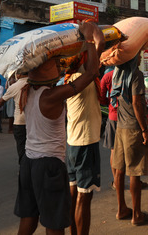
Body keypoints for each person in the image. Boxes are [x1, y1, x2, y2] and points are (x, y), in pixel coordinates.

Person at [14, 21, 104, 235]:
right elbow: (91, 73)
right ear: (44, 70)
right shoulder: (51, 96)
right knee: (54, 224)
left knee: (29, 218)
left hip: (28, 163)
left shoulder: (29, 90)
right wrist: (89, 39)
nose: (58, 65)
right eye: (53, 63)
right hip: (49, 166)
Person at [110, 55, 148, 226]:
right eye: (137, 55)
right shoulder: (136, 74)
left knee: (119, 170)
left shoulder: (117, 72)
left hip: (121, 127)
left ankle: (122, 209)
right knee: (134, 172)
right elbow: (137, 103)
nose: (139, 58)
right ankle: (137, 214)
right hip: (133, 129)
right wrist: (144, 130)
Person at [64, 55, 102, 235]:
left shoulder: (69, 79)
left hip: (73, 143)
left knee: (74, 195)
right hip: (85, 143)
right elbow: (94, 67)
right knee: (84, 197)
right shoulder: (82, 79)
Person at [0, 71, 28, 163]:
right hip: (34, 123)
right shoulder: (35, 83)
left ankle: (23, 170)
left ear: (18, 75)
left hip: (20, 122)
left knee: (21, 148)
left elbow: (0, 103)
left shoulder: (14, 86)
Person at [99, 68, 117, 187]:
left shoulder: (107, 76)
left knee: (113, 150)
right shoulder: (132, 73)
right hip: (129, 118)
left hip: (113, 115)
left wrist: (108, 102)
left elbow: (101, 96)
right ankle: (135, 181)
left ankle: (116, 181)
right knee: (129, 150)